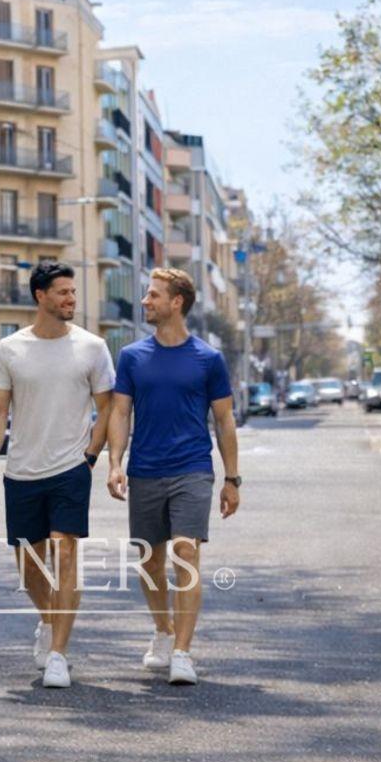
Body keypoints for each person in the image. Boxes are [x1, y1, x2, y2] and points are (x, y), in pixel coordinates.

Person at [0, 262, 115, 689]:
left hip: (70, 468)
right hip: (22, 471)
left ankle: (58, 654)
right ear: (40, 296)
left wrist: (91, 456)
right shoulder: (10, 349)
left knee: (66, 553)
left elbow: (108, 408)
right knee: (29, 567)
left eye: (73, 292)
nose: (71, 299)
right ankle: (49, 619)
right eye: (63, 292)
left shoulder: (92, 347)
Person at [106, 267, 241, 685]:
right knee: (150, 561)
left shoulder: (208, 359)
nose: (145, 301)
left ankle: (182, 652)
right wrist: (115, 463)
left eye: (153, 295)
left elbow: (224, 420)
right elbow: (120, 412)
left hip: (192, 468)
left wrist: (232, 479)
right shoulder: (132, 357)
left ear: (176, 302)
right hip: (145, 470)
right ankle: (163, 631)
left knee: (186, 552)